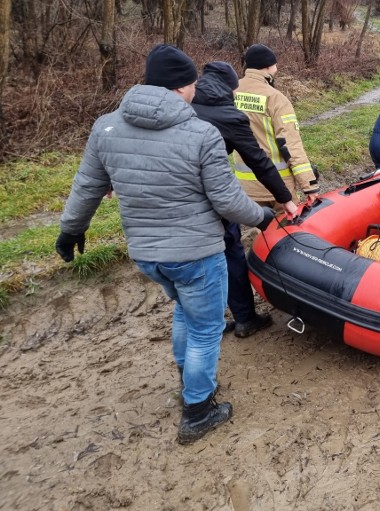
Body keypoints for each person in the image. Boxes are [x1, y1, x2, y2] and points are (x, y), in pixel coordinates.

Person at [55, 44, 277, 445]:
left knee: (185, 312)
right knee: (207, 328)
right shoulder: (201, 133)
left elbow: (88, 185)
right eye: (192, 84)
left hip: (147, 253)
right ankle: (198, 410)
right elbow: (227, 200)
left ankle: (186, 376)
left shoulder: (106, 126)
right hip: (195, 252)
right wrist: (265, 217)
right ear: (182, 87)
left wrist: (71, 229)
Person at [192, 61, 299, 338]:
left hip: (172, 200)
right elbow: (259, 160)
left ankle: (209, 322)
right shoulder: (228, 115)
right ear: (230, 88)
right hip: (209, 195)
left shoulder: (183, 105)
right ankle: (245, 318)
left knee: (194, 270)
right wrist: (285, 198)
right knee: (230, 252)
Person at [232, 44, 319, 207]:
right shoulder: (276, 98)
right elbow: (290, 145)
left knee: (259, 230)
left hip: (245, 186)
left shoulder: (233, 91)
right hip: (278, 185)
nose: (277, 68)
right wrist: (310, 186)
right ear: (267, 66)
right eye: (275, 64)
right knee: (286, 229)